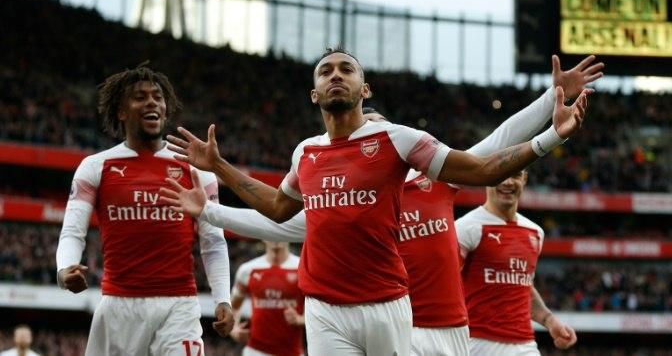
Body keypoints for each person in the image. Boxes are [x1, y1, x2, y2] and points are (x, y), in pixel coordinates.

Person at [161, 48, 591, 355]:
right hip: (332, 309)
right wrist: (215, 185)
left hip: (420, 320)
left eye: (346, 69)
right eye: (325, 70)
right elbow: (275, 215)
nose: (335, 75)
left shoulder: (423, 169)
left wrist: (551, 125)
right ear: (314, 93)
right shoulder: (311, 161)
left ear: (366, 91)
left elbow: (493, 153)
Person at [55, 65, 234, 356]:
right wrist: (65, 269)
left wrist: (222, 298)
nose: (152, 102)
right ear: (121, 112)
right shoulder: (96, 167)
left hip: (179, 305)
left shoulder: (196, 169)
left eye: (157, 97)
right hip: (119, 307)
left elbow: (213, 240)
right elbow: (73, 232)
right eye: (140, 97)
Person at [456, 170, 577, 355]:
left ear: (525, 179)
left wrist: (549, 320)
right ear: (487, 176)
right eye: (501, 174)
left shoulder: (535, 232)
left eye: (516, 175)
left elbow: (523, 287)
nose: (508, 182)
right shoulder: (465, 228)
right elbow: (443, 284)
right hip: (478, 344)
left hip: (524, 345)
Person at [230, 240, 304, 356]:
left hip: (292, 351)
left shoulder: (302, 268)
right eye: (272, 231)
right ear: (263, 237)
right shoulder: (247, 270)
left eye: (280, 231)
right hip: (255, 351)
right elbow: (233, 307)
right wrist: (234, 329)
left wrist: (300, 320)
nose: (276, 237)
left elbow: (319, 310)